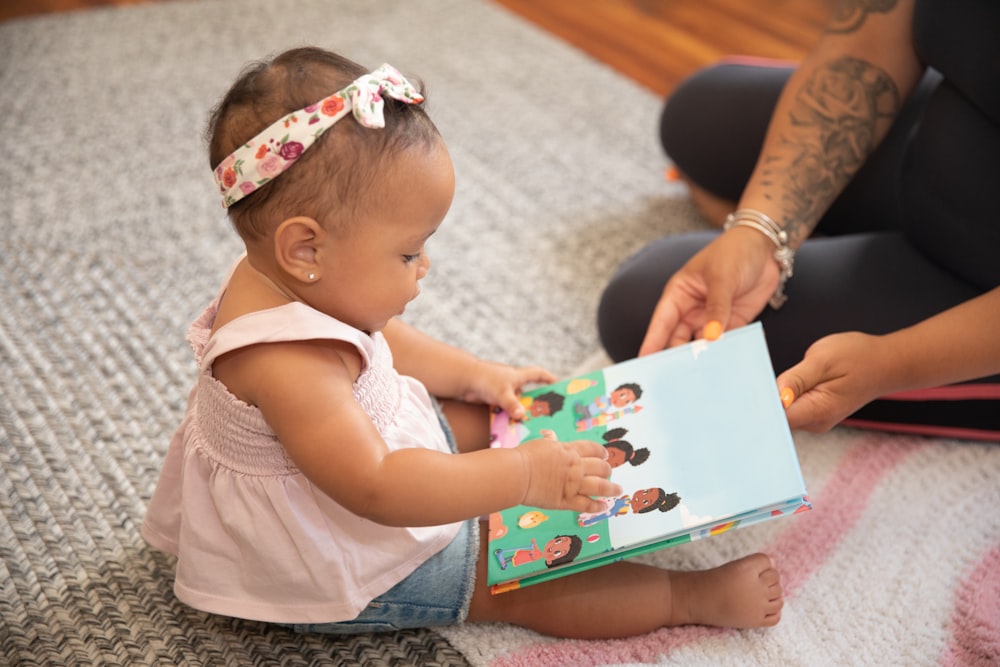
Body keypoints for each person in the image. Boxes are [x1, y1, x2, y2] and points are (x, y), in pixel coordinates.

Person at [141, 47, 784, 640]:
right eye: (408, 251)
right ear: (305, 246)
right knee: (516, 577)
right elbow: (379, 488)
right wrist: (522, 475)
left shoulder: (295, 277)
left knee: (502, 414)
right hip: (336, 548)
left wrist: (476, 375)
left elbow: (380, 339)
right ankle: (686, 598)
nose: (424, 267)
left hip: (355, 459)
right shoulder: (288, 363)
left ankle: (515, 452)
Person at [598, 0, 1000, 442]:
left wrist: (891, 361)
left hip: (979, 290)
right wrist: (761, 230)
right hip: (952, 128)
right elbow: (875, 30)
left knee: (641, 311)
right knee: (698, 118)